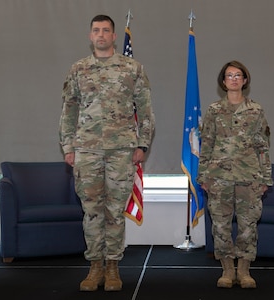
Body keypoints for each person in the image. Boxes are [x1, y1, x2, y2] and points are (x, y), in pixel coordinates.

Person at [59, 14, 154, 292]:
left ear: (114, 36)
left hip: (122, 151)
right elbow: (69, 111)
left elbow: (145, 110)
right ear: (90, 36)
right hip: (86, 150)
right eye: (96, 30)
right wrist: (68, 147)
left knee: (114, 211)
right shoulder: (78, 69)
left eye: (106, 30)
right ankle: (94, 266)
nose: (101, 35)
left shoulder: (132, 68)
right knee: (91, 212)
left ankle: (112, 266)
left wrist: (142, 145)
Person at [197, 60, 273, 289]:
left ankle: (244, 270)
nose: (234, 79)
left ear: (245, 80)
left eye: (238, 75)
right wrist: (203, 176)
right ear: (223, 81)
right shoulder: (213, 110)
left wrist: (265, 177)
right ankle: (227, 270)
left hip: (249, 176)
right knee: (220, 226)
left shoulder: (256, 110)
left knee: (248, 226)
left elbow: (263, 146)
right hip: (218, 177)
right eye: (229, 75)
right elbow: (207, 144)